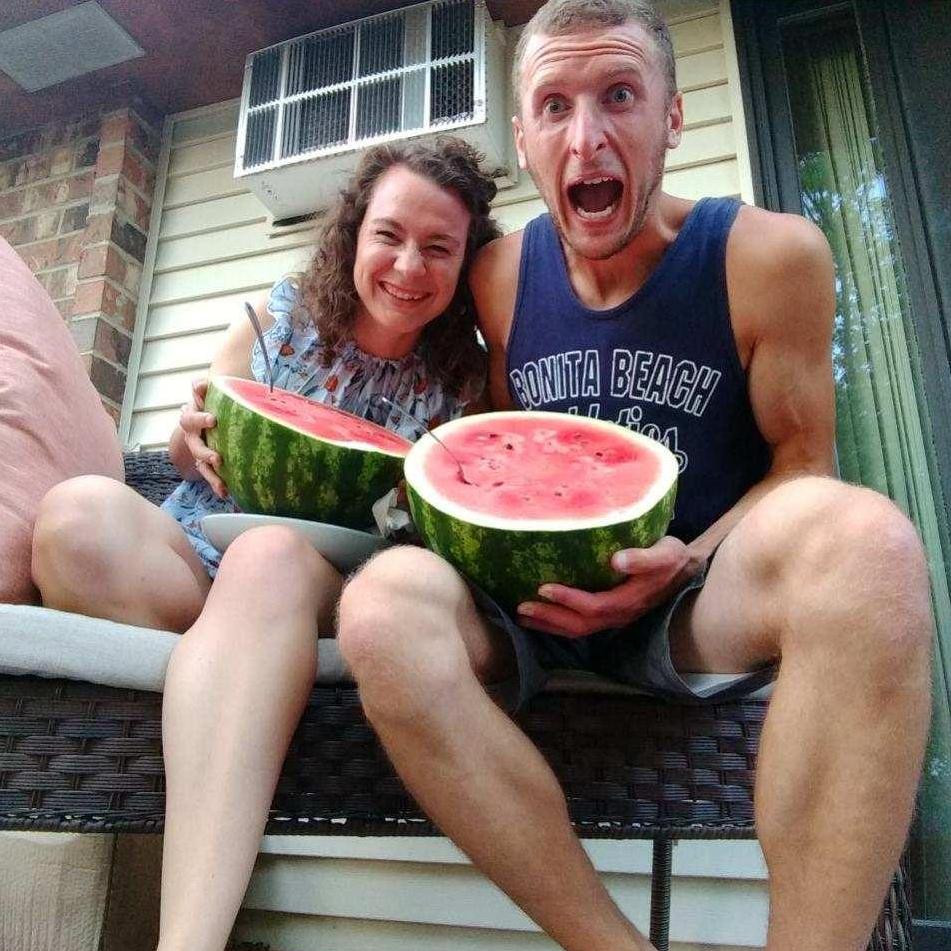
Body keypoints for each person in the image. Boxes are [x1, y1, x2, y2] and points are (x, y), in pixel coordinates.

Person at [334, 3, 933, 951]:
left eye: (618, 95)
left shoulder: (767, 258)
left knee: (867, 546)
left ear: (672, 117)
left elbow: (801, 464)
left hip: (691, 598)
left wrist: (687, 558)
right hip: (523, 602)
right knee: (378, 609)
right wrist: (231, 398)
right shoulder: (495, 275)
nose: (586, 137)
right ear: (523, 140)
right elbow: (409, 371)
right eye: (554, 106)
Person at [30, 137, 500, 951]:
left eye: (438, 248)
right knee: (73, 515)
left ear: (465, 265)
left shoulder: (463, 387)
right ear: (353, 233)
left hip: (321, 584)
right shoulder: (279, 318)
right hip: (195, 563)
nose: (407, 265)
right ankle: (233, 661)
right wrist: (189, 434)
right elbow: (195, 444)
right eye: (388, 235)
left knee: (269, 556)